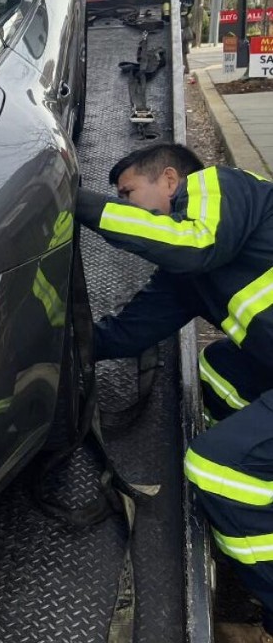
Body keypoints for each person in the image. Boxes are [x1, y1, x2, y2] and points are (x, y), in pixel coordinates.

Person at [75, 143, 273, 643]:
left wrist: (74, 202)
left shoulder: (220, 186)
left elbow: (194, 243)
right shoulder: (186, 276)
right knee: (219, 370)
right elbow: (128, 332)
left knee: (216, 466)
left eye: (127, 194)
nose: (122, 206)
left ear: (169, 179)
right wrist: (52, 347)